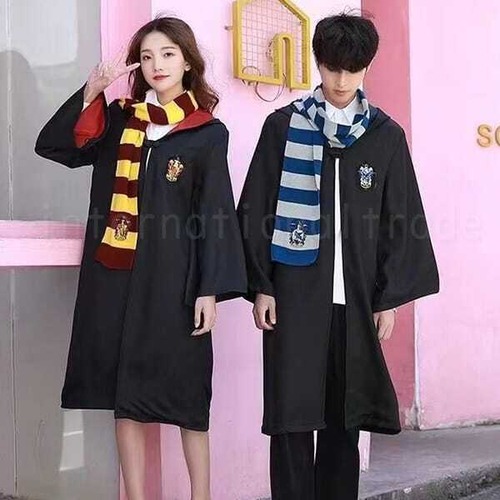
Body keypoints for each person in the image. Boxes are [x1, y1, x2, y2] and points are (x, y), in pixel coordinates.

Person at [35, 16, 246, 500]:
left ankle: (200, 496)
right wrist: (92, 90)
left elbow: (215, 213)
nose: (157, 65)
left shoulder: (206, 133)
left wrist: (209, 290)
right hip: (117, 278)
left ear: (188, 62)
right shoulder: (119, 122)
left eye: (168, 54)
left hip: (175, 283)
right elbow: (55, 146)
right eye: (147, 57)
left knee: (188, 397)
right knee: (124, 396)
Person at [237, 12, 439, 500]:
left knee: (344, 420)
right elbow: (257, 209)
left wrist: (387, 299)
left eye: (352, 69)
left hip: (355, 303)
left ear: (367, 67)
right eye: (332, 68)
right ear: (318, 63)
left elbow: (399, 219)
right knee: (290, 419)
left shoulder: (384, 136)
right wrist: (262, 286)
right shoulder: (283, 127)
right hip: (293, 295)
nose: (342, 80)